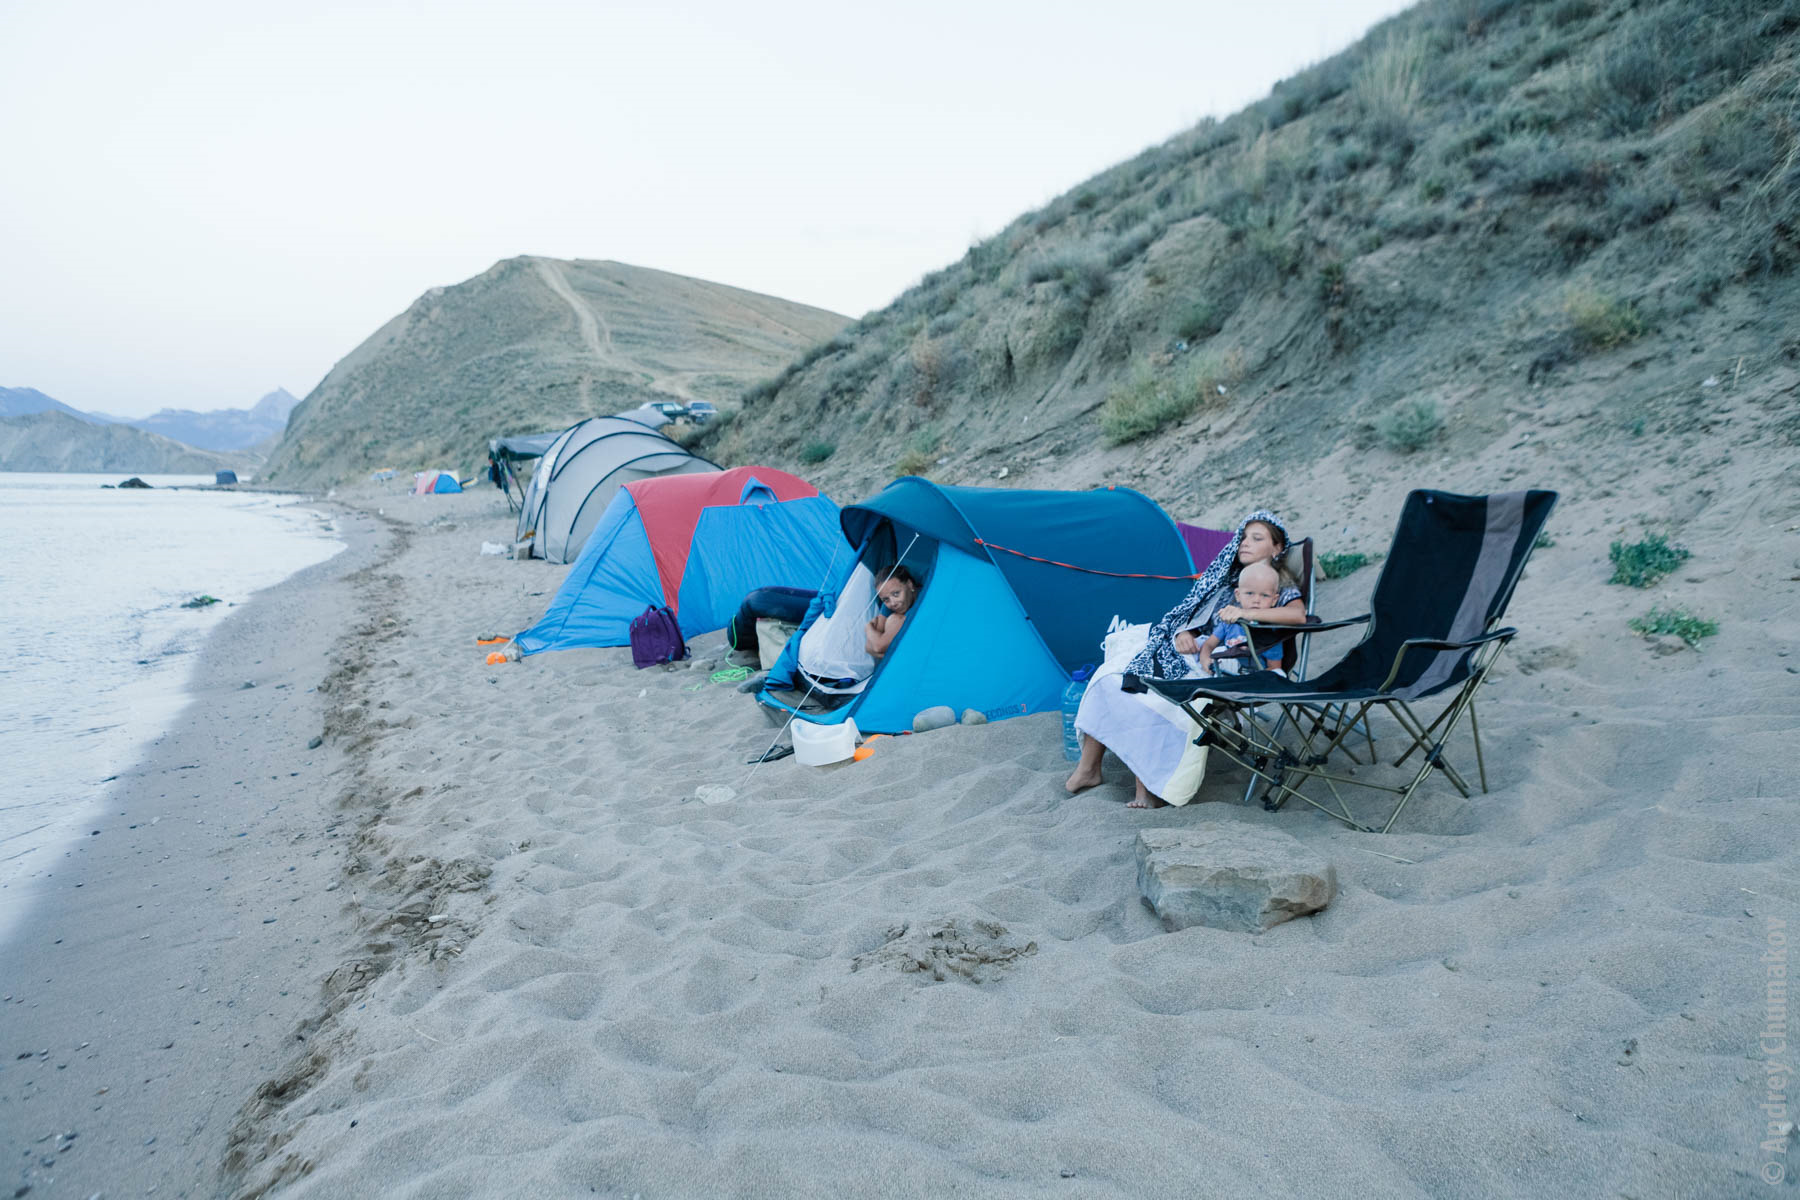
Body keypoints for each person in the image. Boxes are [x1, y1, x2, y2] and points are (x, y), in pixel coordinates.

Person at [1064, 511, 1304, 808]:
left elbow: (1298, 616)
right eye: (1243, 537)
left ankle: (1147, 784)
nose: (1245, 543)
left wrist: (1246, 611)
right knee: (1115, 669)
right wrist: (1183, 633)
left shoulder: (1280, 586)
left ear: (1278, 548)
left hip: (1235, 664)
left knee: (1146, 688)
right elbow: (1199, 621)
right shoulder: (1227, 580)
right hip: (1201, 650)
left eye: (1257, 538)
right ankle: (1089, 767)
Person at [1198, 561, 1286, 676]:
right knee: (1216, 652)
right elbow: (1208, 645)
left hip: (1257, 676)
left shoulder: (1271, 630)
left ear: (1274, 600)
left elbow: (1274, 667)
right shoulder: (1229, 622)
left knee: (1279, 674)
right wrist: (1205, 659)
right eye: (1250, 593)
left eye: (1264, 595)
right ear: (1238, 595)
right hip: (1229, 671)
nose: (1256, 600)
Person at [864, 565, 921, 660]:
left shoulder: (926, 597)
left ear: (910, 585)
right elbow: (869, 647)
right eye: (886, 599)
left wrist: (868, 628)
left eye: (896, 594)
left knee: (896, 619)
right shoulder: (889, 605)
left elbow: (878, 646)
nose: (893, 603)